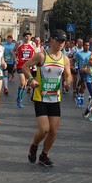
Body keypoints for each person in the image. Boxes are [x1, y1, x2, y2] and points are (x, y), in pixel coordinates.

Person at [22, 29, 72, 167]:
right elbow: (25, 67)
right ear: (52, 40)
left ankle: (44, 155)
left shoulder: (65, 59)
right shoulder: (41, 56)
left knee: (54, 131)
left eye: (63, 41)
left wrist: (68, 81)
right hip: (40, 97)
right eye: (58, 40)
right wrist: (31, 79)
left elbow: (68, 75)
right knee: (44, 129)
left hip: (55, 98)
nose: (60, 43)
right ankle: (34, 145)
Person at [14, 32, 36, 108]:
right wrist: (15, 58)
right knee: (22, 82)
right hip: (20, 65)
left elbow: (36, 53)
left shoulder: (32, 44)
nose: (28, 38)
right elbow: (13, 51)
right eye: (26, 36)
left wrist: (34, 62)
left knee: (25, 84)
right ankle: (19, 100)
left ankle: (19, 97)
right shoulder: (19, 43)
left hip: (28, 66)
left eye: (29, 37)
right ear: (23, 37)